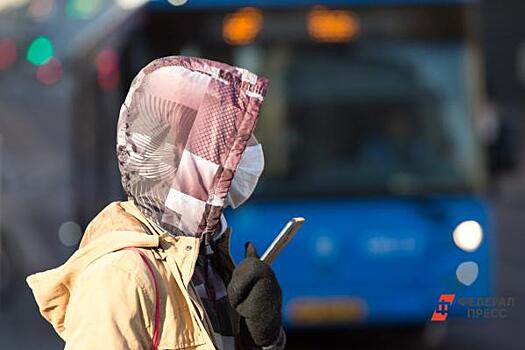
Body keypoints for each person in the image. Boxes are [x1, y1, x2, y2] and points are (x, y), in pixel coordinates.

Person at [27, 56, 285, 350]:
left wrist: (263, 339)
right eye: (224, 148)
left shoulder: (201, 252)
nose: (239, 159)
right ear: (175, 159)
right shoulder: (121, 276)